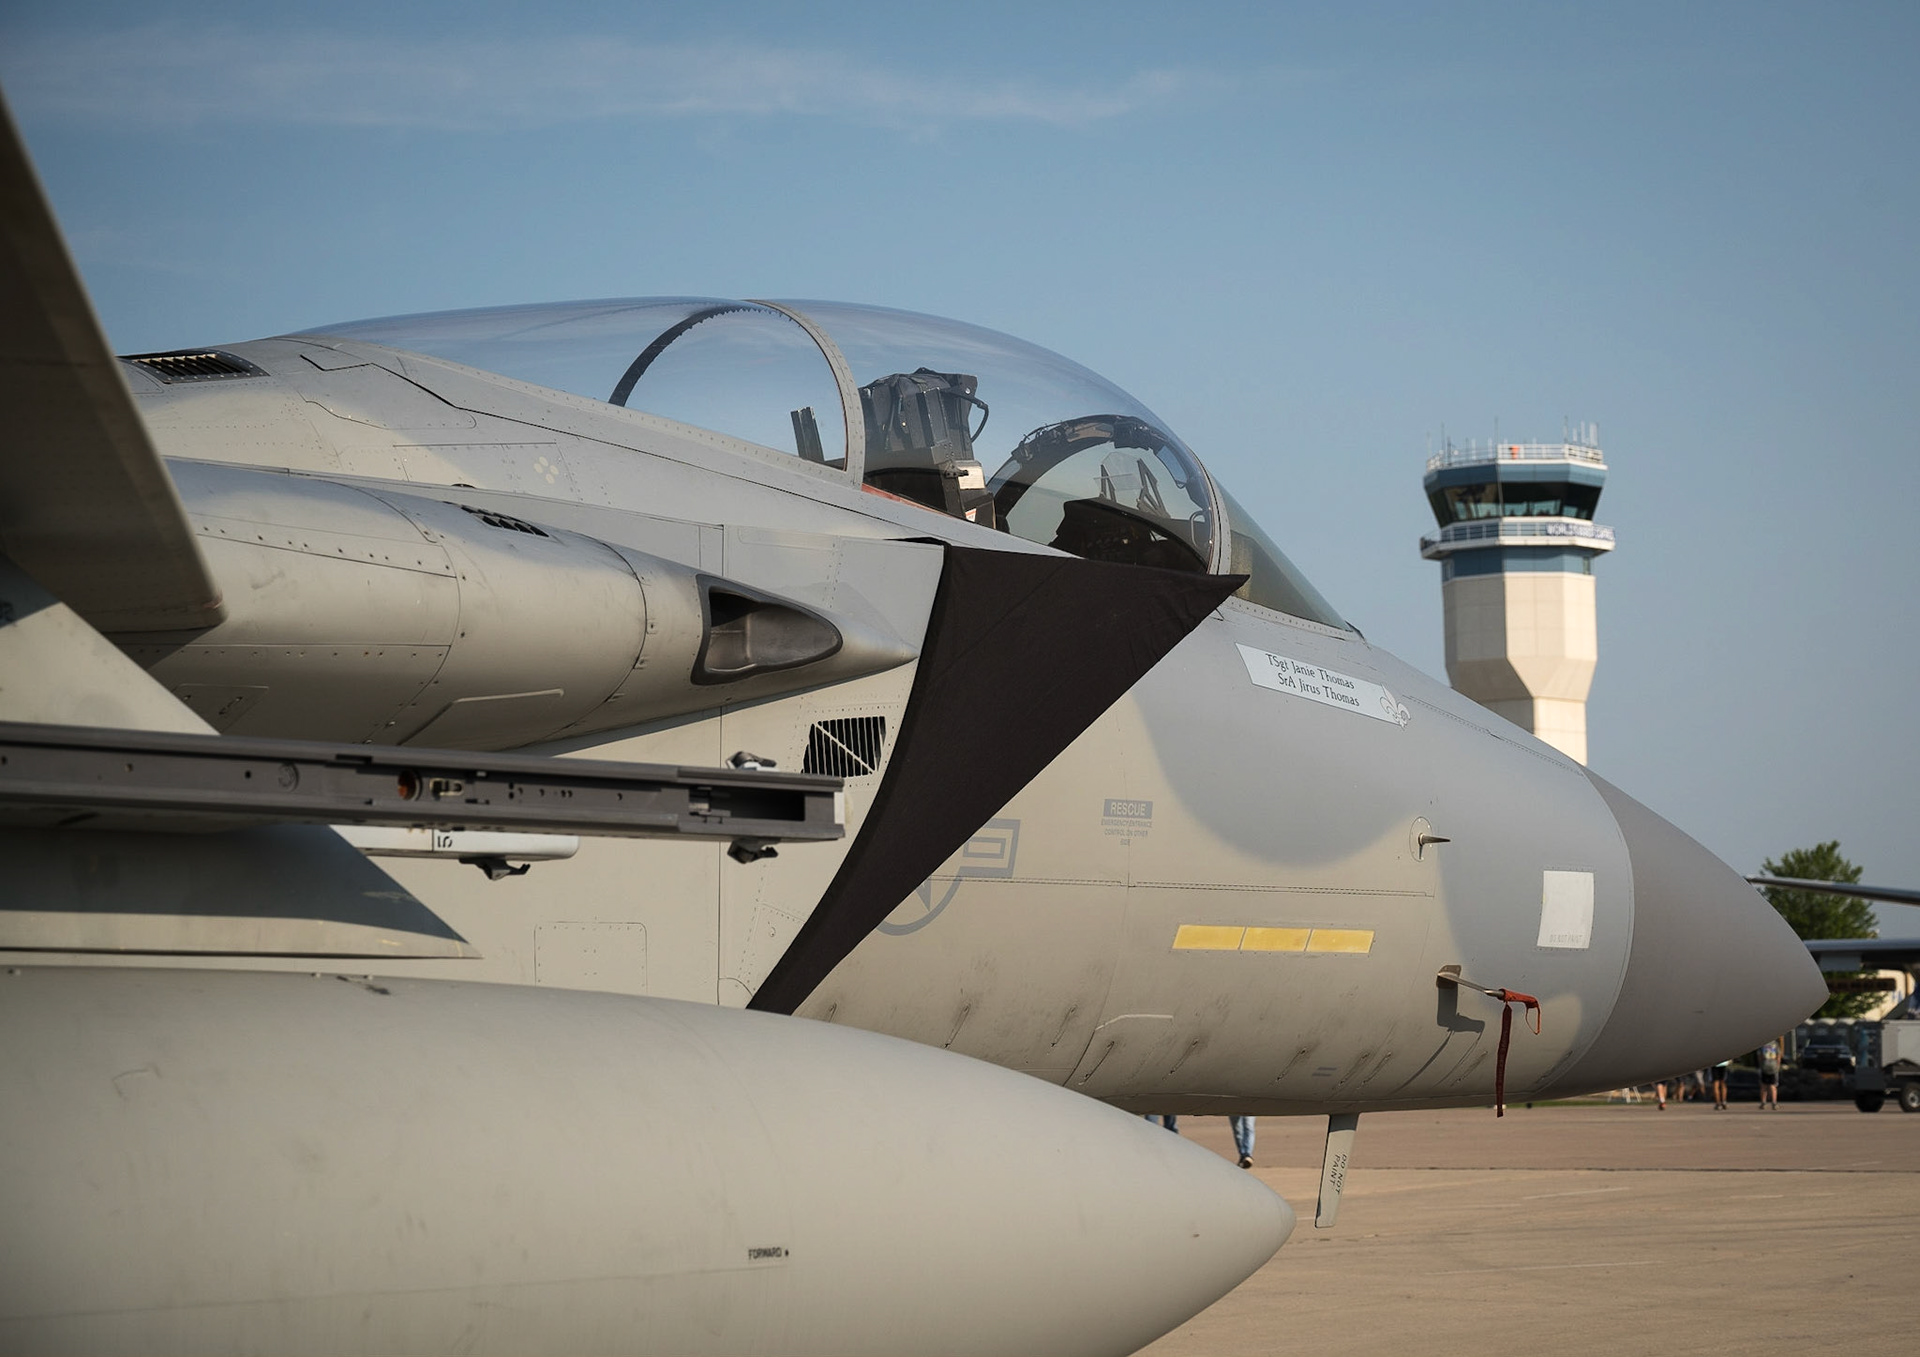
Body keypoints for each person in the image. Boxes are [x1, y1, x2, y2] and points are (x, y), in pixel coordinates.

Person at [1758, 1039, 1782, 1110]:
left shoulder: (1762, 1044)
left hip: (1765, 1065)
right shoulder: (1775, 1044)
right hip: (1773, 1066)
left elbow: (1760, 1056)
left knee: (1764, 1085)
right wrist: (1778, 1065)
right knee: (1772, 1085)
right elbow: (1778, 1056)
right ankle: (1774, 1102)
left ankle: (1763, 1102)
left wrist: (1760, 1065)